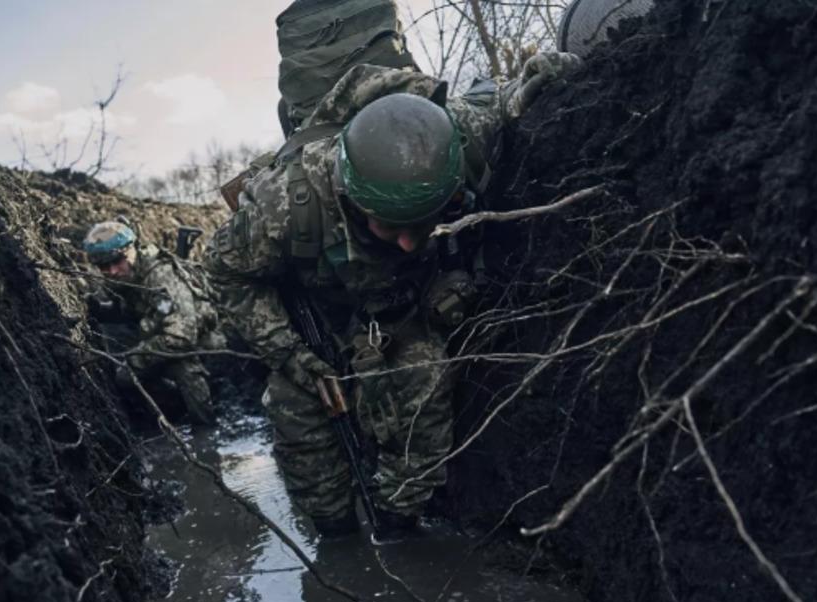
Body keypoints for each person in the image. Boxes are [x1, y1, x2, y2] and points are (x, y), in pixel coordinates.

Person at [206, 55, 579, 541]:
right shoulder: (286, 204)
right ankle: (336, 535)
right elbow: (224, 272)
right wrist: (293, 356)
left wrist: (537, 81)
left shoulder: (456, 141)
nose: (408, 243)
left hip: (403, 314)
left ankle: (399, 527)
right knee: (304, 440)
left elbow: (506, 100)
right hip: (316, 326)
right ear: (350, 196)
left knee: (424, 390)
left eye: (421, 225)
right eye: (388, 226)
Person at [84, 220, 219, 425]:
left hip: (207, 343)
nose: (112, 271)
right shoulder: (126, 275)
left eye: (117, 260)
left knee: (182, 366)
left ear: (131, 249)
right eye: (104, 266)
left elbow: (182, 336)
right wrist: (102, 311)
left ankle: (206, 429)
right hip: (162, 334)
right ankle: (169, 411)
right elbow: (132, 312)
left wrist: (134, 360)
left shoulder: (160, 275)